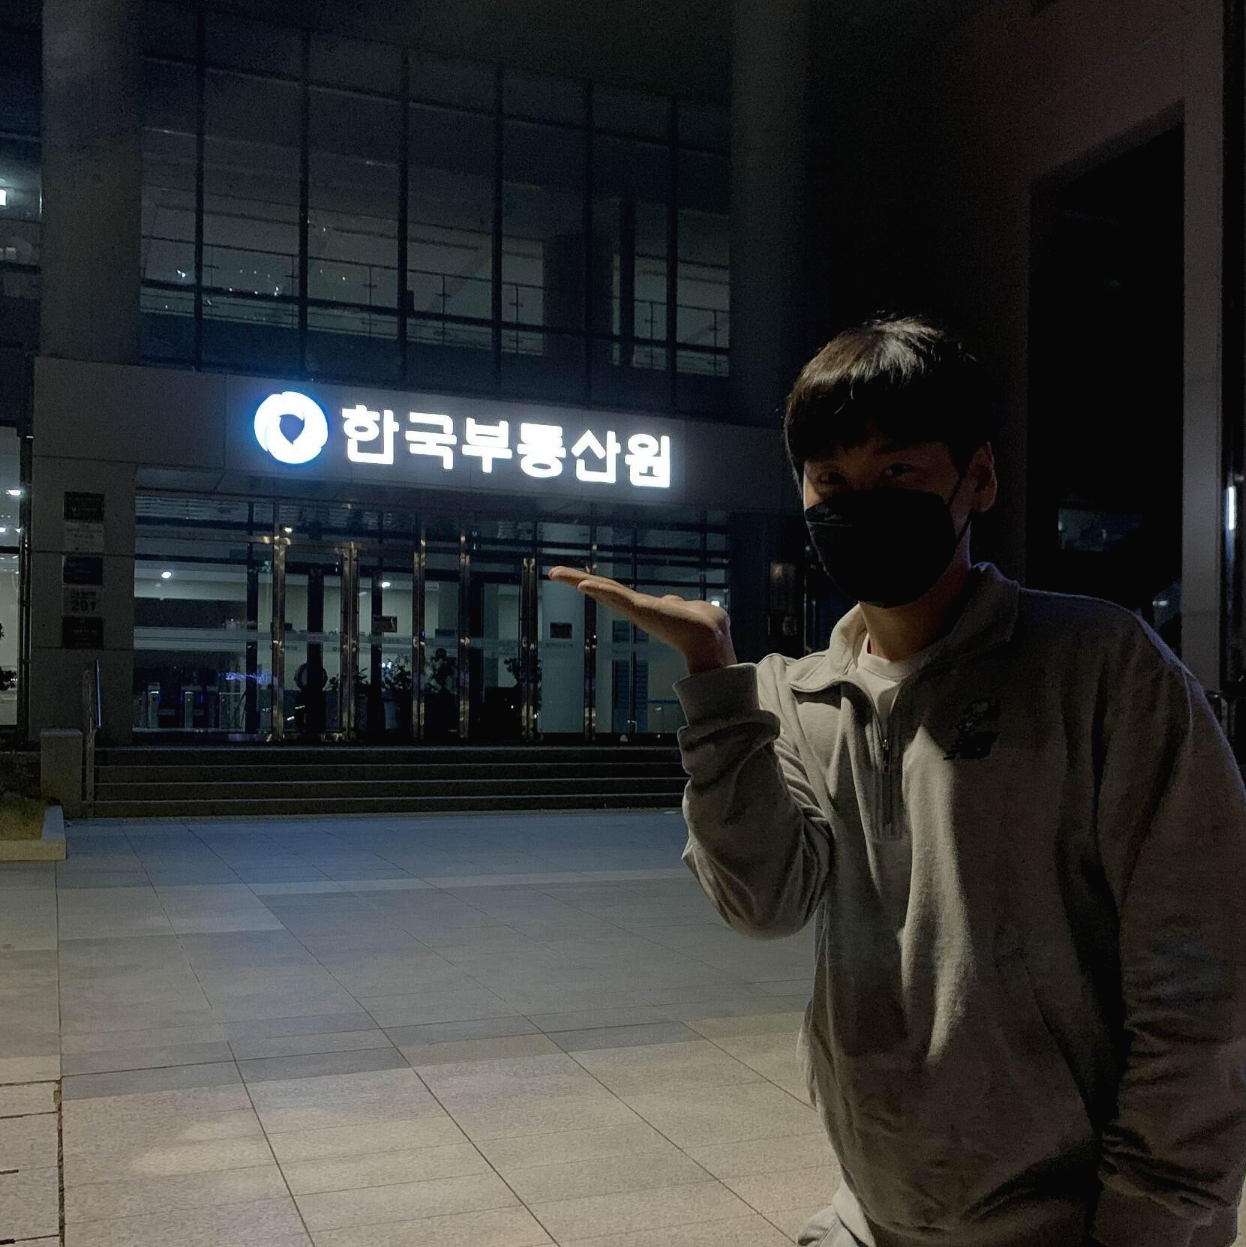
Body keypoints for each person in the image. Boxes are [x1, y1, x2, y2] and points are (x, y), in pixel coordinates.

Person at [549, 314, 1246, 1247]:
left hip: (1075, 1222)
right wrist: (716, 684)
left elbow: (1201, 970)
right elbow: (764, 903)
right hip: (875, 1210)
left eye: (897, 471)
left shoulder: (1102, 667)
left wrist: (1150, 1218)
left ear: (978, 478)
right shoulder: (795, 695)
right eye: (831, 480)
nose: (859, 501)